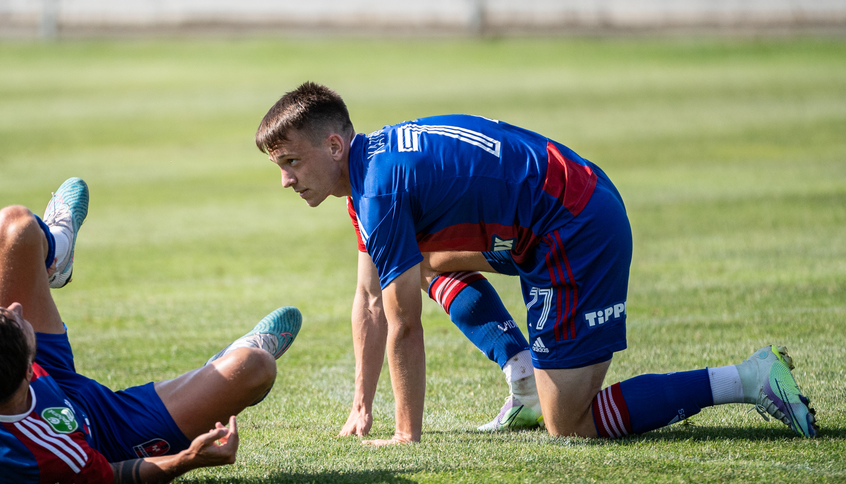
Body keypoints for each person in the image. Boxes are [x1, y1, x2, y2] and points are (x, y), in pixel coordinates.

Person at [255, 81, 817, 445]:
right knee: (419, 262)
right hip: (545, 222)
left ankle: (748, 378)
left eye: (292, 162)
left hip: (574, 228)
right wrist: (361, 406)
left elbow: (402, 323)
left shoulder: (378, 190)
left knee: (570, 424)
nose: (285, 180)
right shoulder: (371, 172)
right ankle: (524, 378)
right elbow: (371, 296)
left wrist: (406, 433)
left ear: (334, 146)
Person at [0, 177, 303, 484]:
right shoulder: (55, 455)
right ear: (27, 370)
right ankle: (216, 371)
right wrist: (187, 460)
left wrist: (28, 272)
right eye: (18, 324)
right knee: (254, 366)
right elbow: (115, 476)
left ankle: (55, 257)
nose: (17, 309)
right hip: (108, 432)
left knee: (14, 226)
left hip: (37, 382)